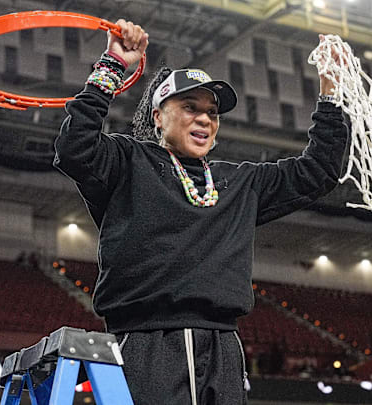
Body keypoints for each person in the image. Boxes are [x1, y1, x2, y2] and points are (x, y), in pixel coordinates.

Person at [53, 19, 349, 405]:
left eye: (212, 113)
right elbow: (75, 147)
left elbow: (319, 170)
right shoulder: (128, 161)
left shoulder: (240, 182)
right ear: (158, 116)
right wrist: (112, 65)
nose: (205, 119)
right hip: (145, 344)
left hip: (223, 348)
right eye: (190, 107)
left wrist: (330, 92)